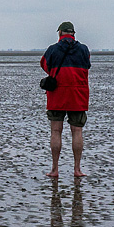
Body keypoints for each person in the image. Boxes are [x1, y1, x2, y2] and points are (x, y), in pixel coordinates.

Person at [40, 21, 91, 177]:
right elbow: (87, 66)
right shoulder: (83, 50)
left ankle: (55, 169)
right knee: (77, 131)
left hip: (57, 95)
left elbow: (44, 65)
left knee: (56, 131)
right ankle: (77, 169)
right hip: (78, 95)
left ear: (60, 34)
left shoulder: (52, 50)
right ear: (73, 34)